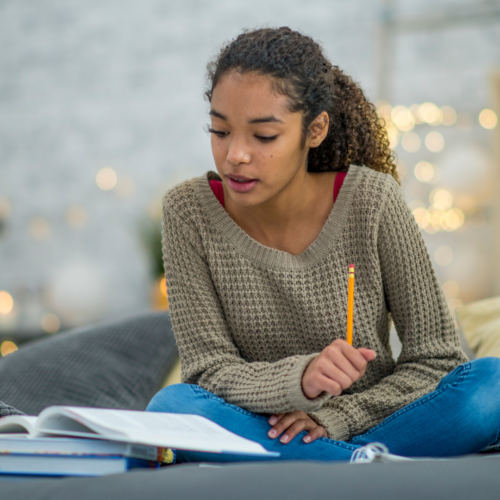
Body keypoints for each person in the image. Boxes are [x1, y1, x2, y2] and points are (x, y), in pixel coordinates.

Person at [146, 26, 500, 462]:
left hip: (373, 423)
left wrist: (337, 418)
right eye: (220, 131)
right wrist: (303, 378)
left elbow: (436, 360)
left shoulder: (372, 200)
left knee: (492, 386)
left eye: (263, 136)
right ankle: (358, 467)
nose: (235, 154)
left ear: (314, 130)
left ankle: (330, 462)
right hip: (264, 426)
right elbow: (208, 372)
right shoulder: (188, 212)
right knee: (172, 407)